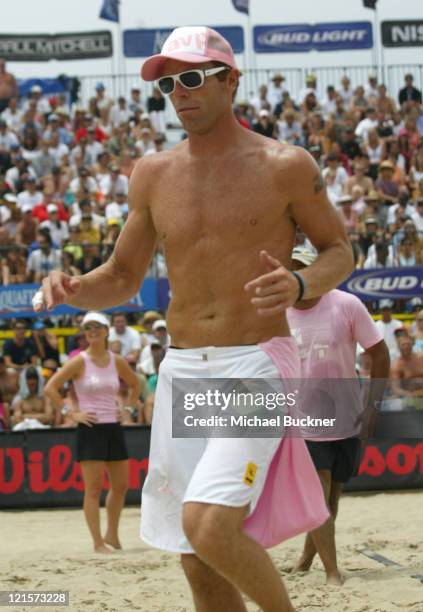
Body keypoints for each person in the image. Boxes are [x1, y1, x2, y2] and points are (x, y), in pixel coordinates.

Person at [33, 26, 353, 611]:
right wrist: (73, 288)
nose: (178, 93)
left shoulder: (284, 164)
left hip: (254, 363)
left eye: (191, 78)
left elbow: (340, 250)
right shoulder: (153, 173)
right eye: (168, 84)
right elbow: (123, 277)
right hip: (184, 370)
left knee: (208, 526)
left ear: (230, 80)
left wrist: (303, 282)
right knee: (192, 549)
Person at [287, 246, 389, 584]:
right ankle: (332, 572)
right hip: (304, 420)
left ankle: (305, 559)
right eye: (290, 268)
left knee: (331, 500)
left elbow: (379, 351)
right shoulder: (279, 314)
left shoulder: (346, 305)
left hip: (348, 416)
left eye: (300, 268)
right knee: (318, 494)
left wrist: (373, 405)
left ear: (315, 270)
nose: (294, 274)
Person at [44, 312, 140, 554]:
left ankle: (112, 535)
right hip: (90, 428)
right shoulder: (79, 361)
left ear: (107, 330)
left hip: (113, 427)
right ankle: (98, 542)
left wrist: (127, 408)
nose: (92, 331)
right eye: (88, 327)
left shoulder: (116, 360)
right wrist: (70, 413)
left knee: (121, 486)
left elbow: (136, 384)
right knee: (93, 489)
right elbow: (51, 388)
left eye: (97, 326)